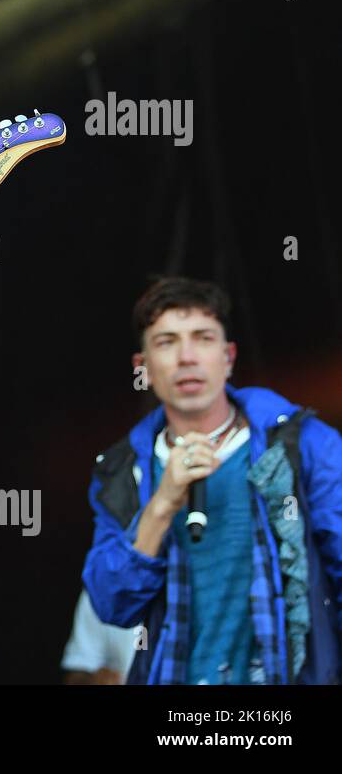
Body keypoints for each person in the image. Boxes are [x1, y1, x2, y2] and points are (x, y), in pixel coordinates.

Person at [81, 276, 342, 684]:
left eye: (203, 338)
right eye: (166, 342)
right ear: (143, 367)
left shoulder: (303, 444)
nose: (187, 357)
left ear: (228, 356)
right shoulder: (121, 471)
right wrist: (163, 504)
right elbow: (112, 604)